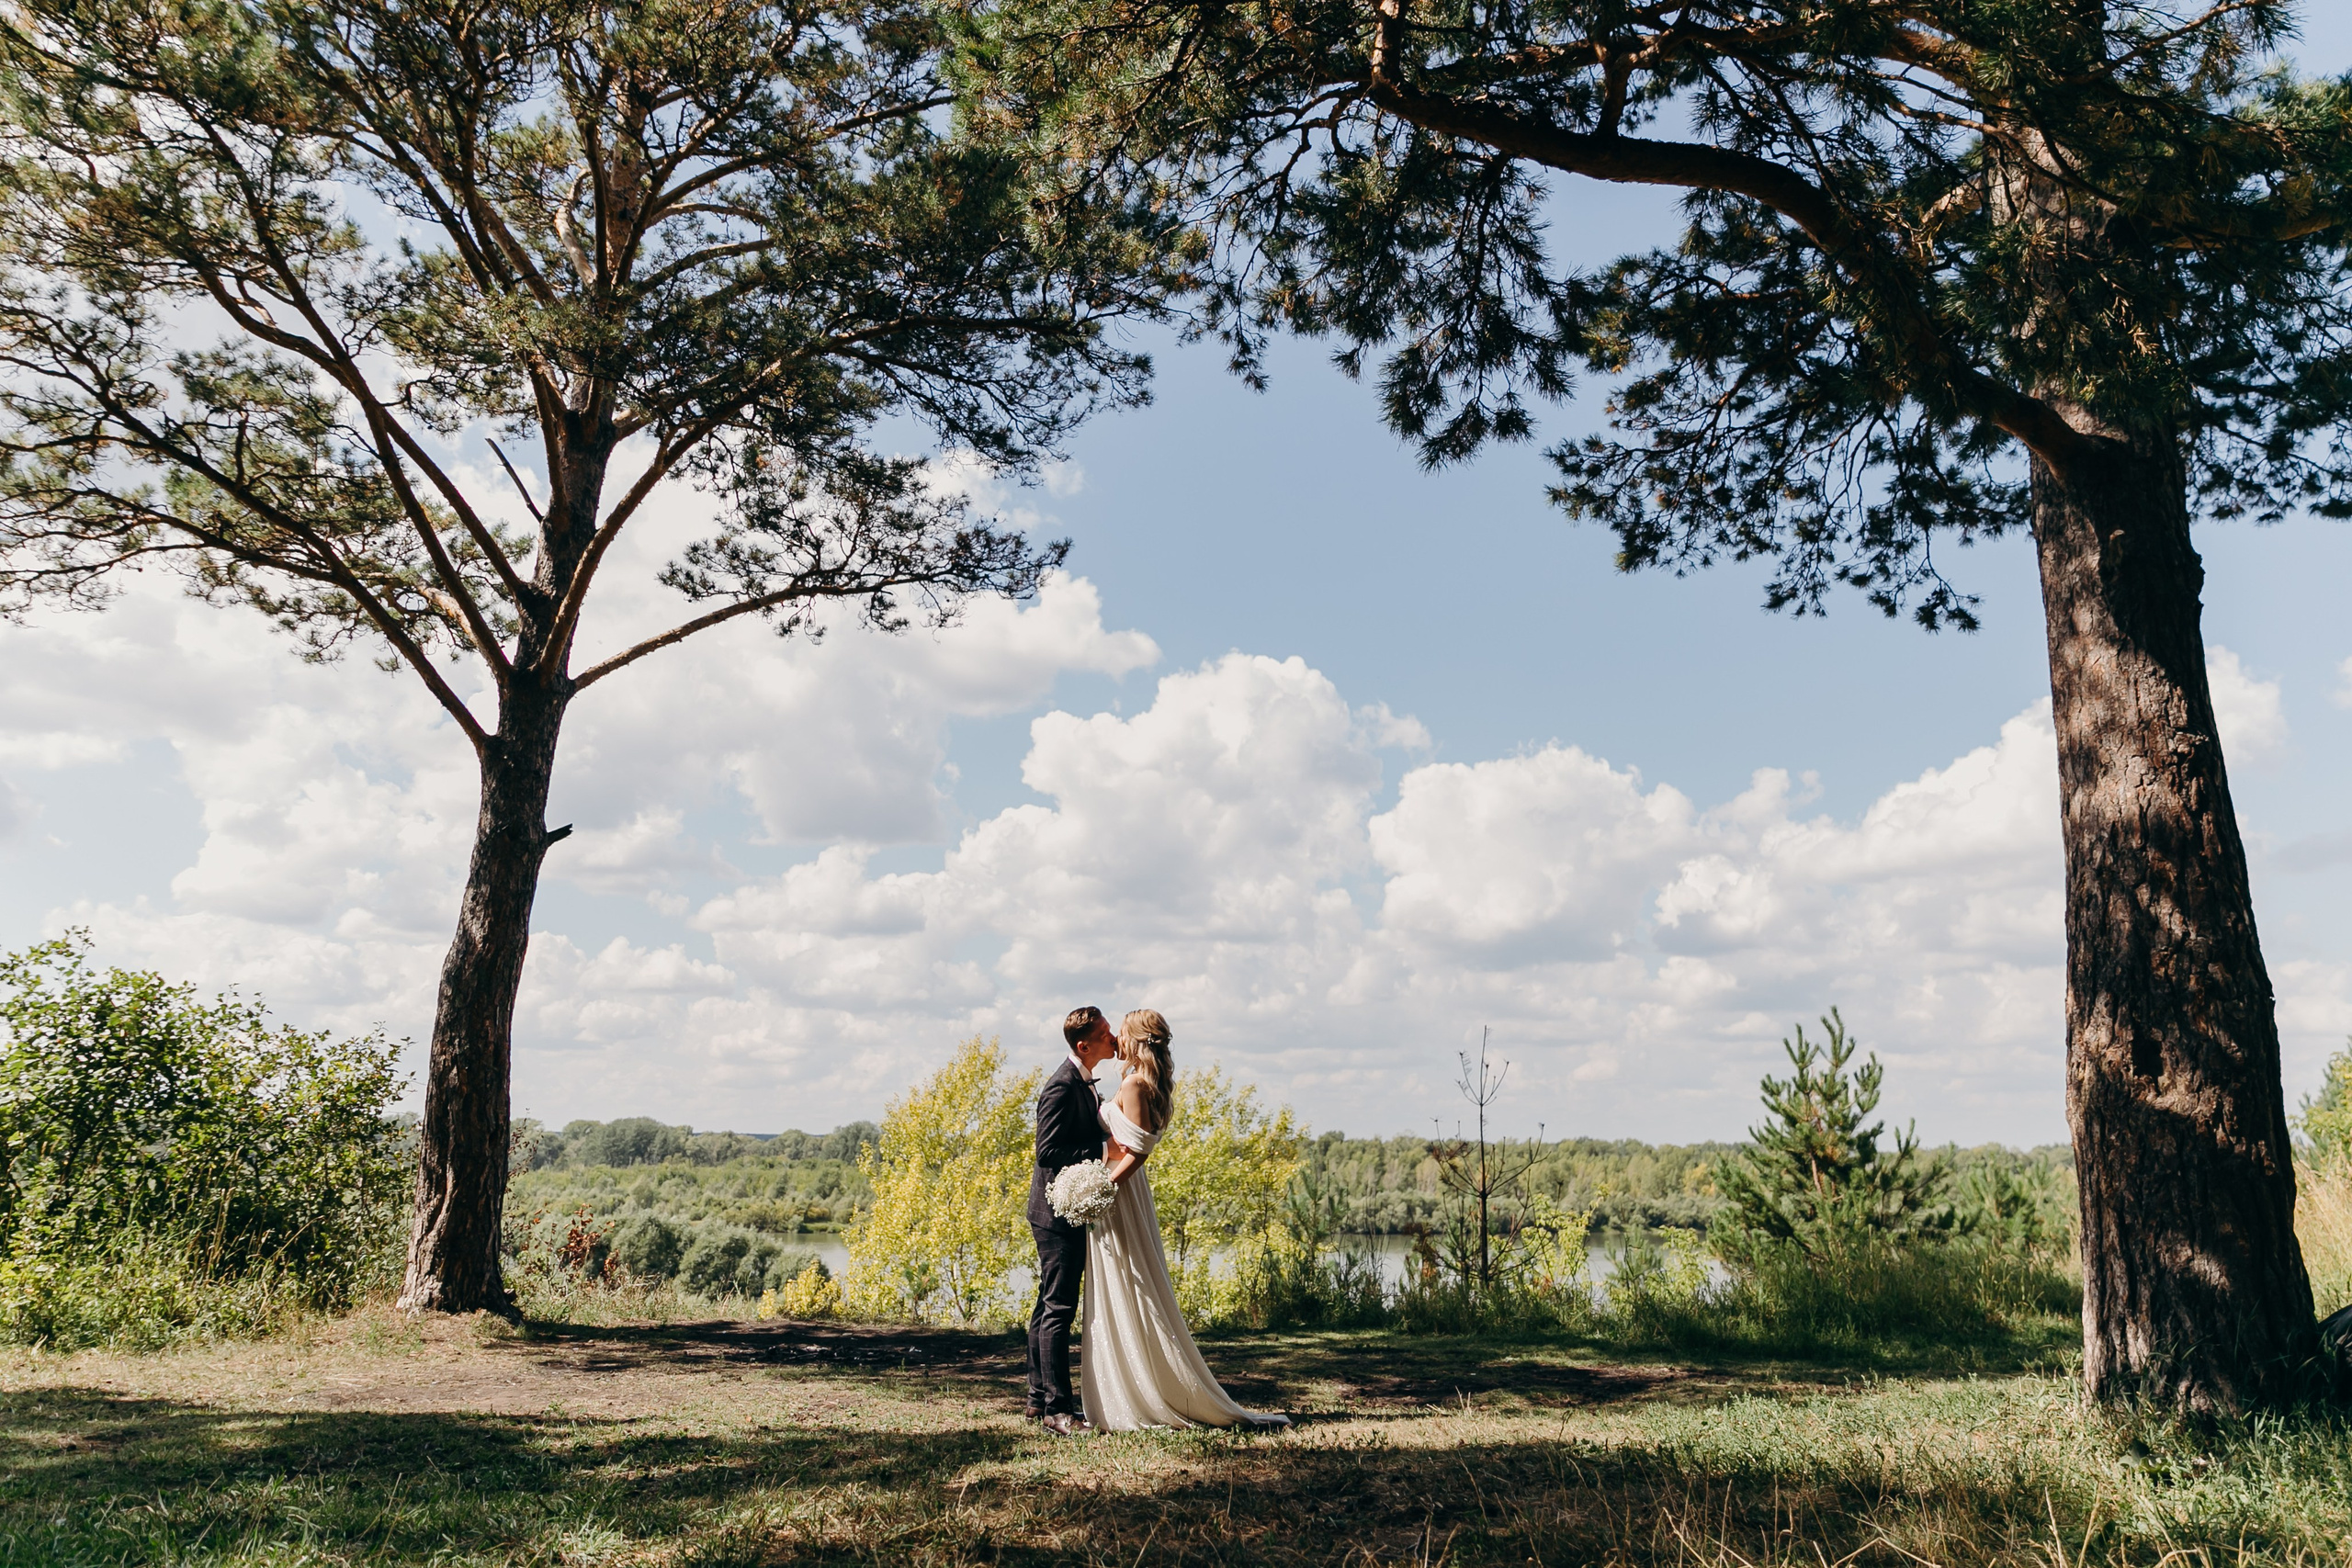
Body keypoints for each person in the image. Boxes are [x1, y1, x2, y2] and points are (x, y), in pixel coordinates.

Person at [1080, 1009, 1290, 1432]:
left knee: (1133, 1280)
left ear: (1136, 1040)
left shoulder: (1136, 1083)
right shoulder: (1139, 1081)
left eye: (1121, 1032)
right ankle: (1127, 1381)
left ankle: (1148, 1389)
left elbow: (1138, 1151)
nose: (1116, 1038)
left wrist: (1103, 1190)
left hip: (1121, 1193)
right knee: (1125, 1280)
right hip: (1121, 1190)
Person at [1026, 1004, 1117, 1435]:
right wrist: (1101, 1153)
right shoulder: (1061, 1086)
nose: (1113, 1038)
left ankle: (1035, 1398)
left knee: (1048, 1303)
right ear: (1084, 1045)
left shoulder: (1083, 1082)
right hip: (1055, 1213)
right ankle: (1058, 1412)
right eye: (1105, 1034)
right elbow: (1047, 1153)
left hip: (1060, 1210)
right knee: (1059, 1308)